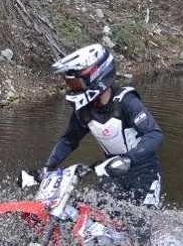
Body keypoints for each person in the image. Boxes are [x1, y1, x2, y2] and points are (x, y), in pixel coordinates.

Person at [44, 44, 164, 209]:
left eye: (77, 85)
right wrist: (47, 168)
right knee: (102, 218)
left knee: (140, 227)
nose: (73, 89)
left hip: (143, 171)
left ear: (96, 78)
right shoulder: (84, 111)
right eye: (71, 85)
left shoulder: (127, 102)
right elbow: (69, 140)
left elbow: (154, 133)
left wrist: (128, 159)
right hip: (111, 171)